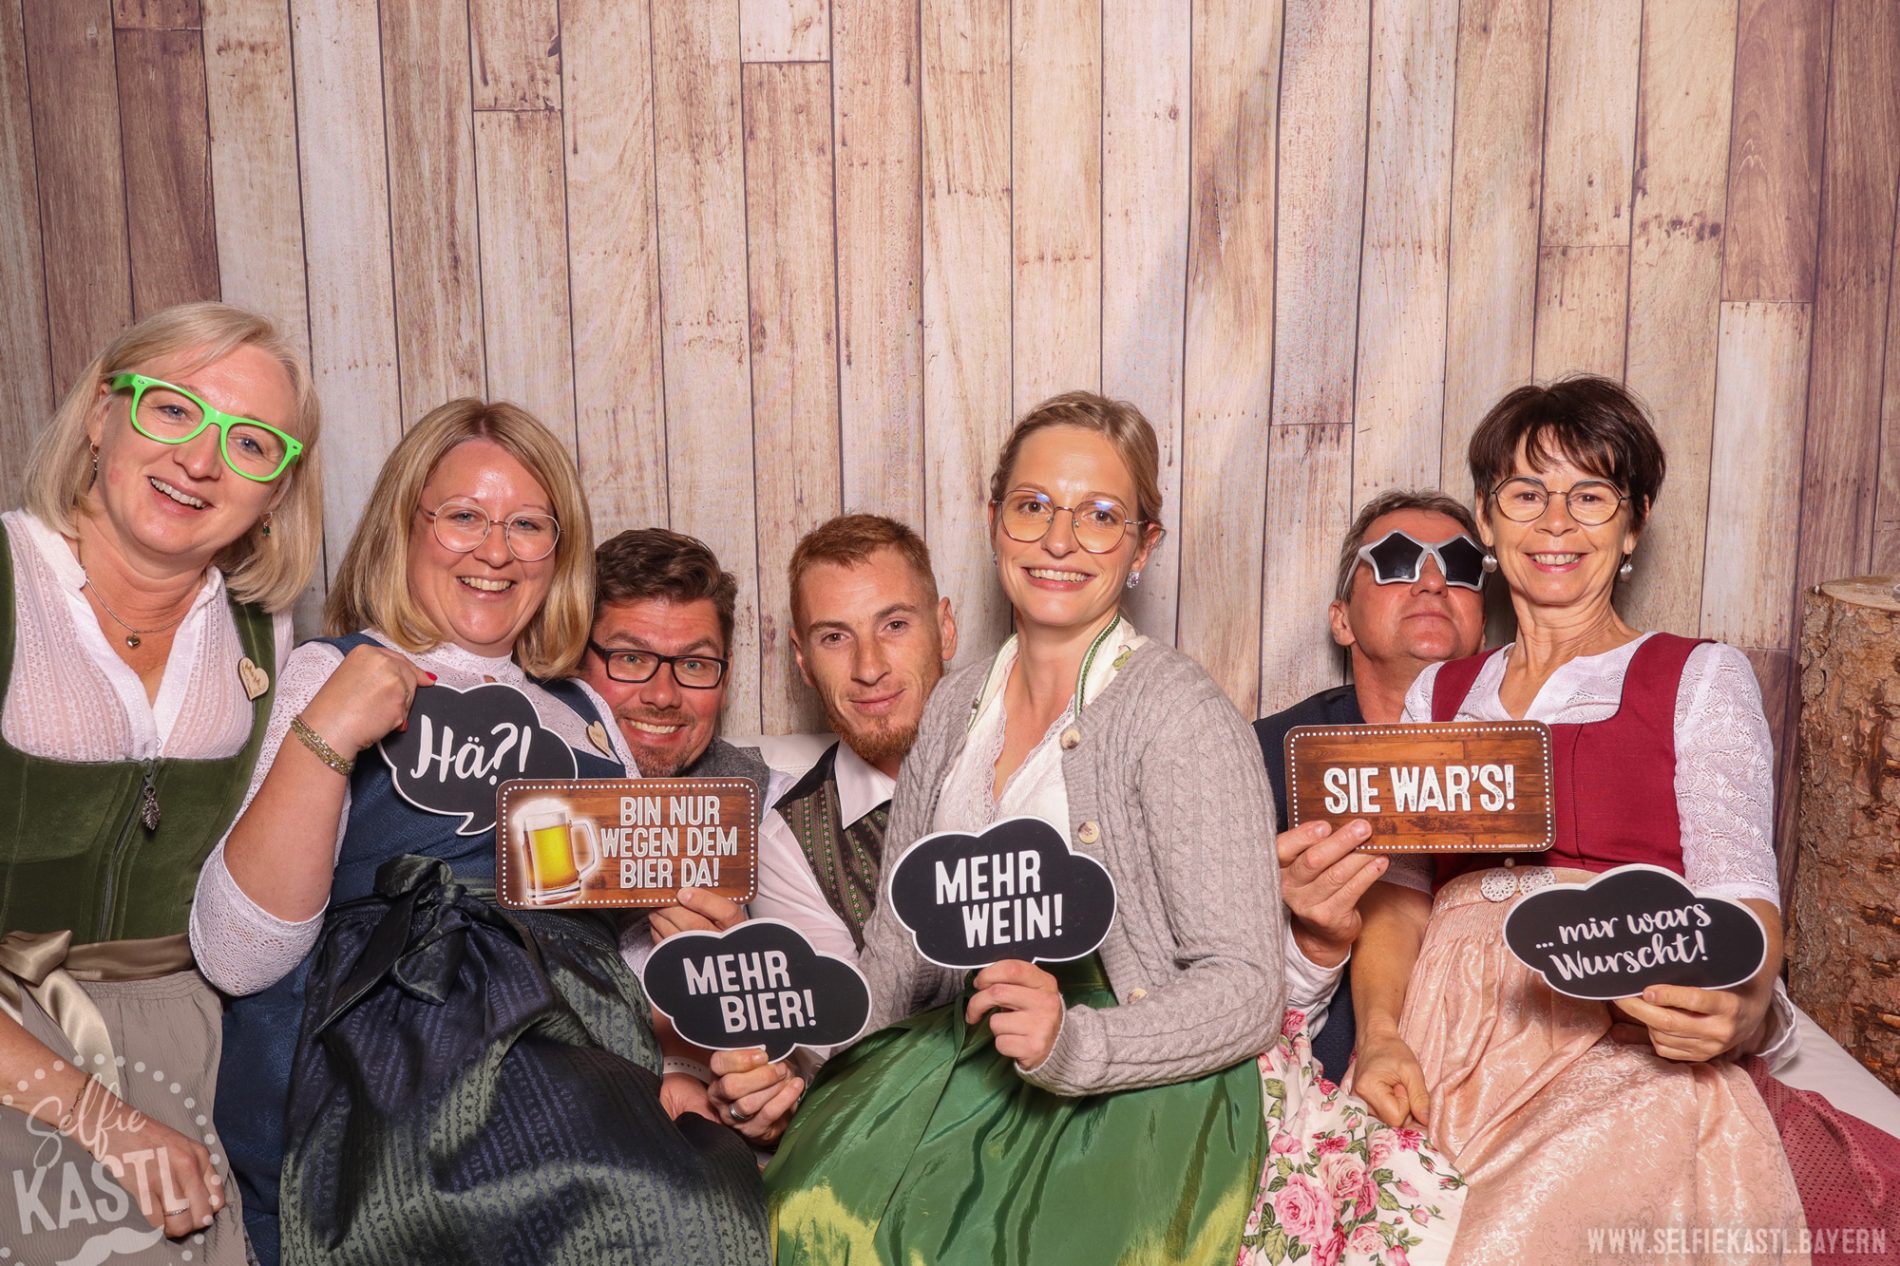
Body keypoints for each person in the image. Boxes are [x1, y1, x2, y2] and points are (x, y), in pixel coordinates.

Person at [763, 392, 1459, 1266]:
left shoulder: (1178, 713)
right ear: (995, 522)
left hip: (1139, 1086)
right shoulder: (952, 706)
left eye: (1098, 516)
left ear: (1142, 545)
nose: (1059, 541)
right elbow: (896, 961)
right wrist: (792, 1058)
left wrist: (1074, 1042)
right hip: (959, 1058)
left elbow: (1247, 990)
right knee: (810, 1204)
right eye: (1033, 506)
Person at [190, 401, 767, 1265]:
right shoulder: (330, 671)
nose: (496, 552)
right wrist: (329, 731)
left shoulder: (585, 712)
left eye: (527, 525)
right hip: (385, 1077)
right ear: (405, 525)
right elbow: (236, 957)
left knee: (703, 1211)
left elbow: (614, 958)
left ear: (559, 550)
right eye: (464, 516)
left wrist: (692, 963)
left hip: (568, 1072)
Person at [1351, 376, 1806, 1263]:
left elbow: (1741, 894)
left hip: (1612, 1027)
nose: (1555, 522)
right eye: (1526, 494)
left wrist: (1745, 1004)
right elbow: (1400, 898)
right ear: (1488, 521)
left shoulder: (1696, 677)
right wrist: (1381, 1035)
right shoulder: (1436, 693)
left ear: (1633, 525)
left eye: (1590, 496)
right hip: (1445, 1033)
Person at [0, 301, 320, 1264]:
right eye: (174, 408)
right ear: (102, 414)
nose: (202, 459)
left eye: (251, 442)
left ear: (276, 492)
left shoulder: (266, 632)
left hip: (188, 1050)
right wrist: (96, 1115)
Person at [702, 513, 959, 1137]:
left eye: (894, 625)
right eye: (835, 637)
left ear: (945, 629)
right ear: (802, 658)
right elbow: (851, 1057)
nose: (869, 667)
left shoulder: (1038, 758)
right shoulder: (789, 842)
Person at [1253, 490, 1487, 1081]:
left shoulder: (1526, 763)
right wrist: (1300, 932)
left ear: (1483, 624)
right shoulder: (1257, 760)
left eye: (1460, 566)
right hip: (1316, 1090)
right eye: (1397, 562)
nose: (1432, 582)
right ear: (1341, 620)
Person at [584, 527, 773, 806]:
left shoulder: (778, 810)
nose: (663, 696)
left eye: (693, 664)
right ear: (575, 662)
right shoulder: (521, 791)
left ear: (725, 678)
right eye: (632, 658)